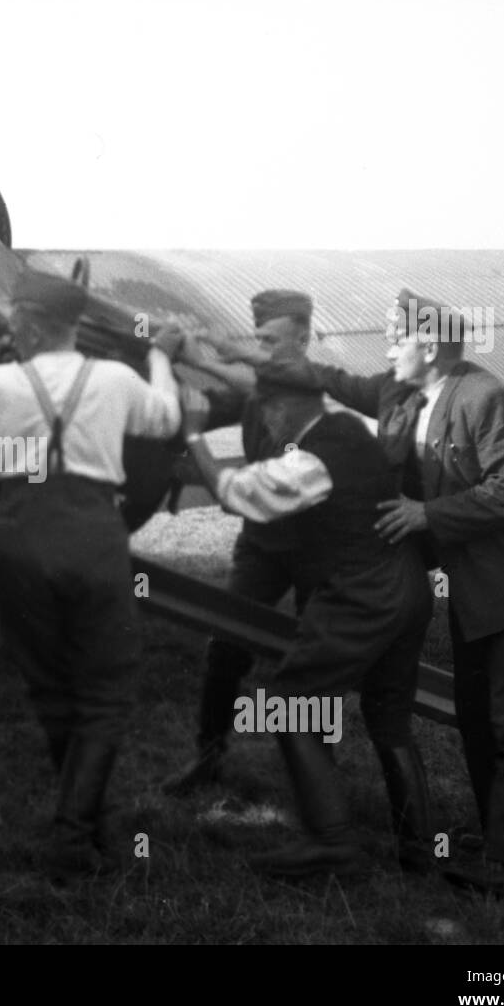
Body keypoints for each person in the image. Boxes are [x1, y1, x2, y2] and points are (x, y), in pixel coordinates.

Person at [253, 289, 504, 899]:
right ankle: (502, 842)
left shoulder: (487, 398)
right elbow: (333, 379)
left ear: (428, 346)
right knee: (480, 720)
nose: (386, 348)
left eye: (393, 337)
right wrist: (244, 356)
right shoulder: (404, 392)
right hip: (479, 595)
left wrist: (427, 515)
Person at [0, 268, 182, 879]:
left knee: (50, 685)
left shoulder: (2, 382)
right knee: (105, 693)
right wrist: (161, 356)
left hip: (17, 535)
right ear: (72, 325)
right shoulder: (114, 378)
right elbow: (165, 420)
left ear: (27, 325)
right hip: (92, 536)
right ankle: (73, 834)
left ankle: (79, 822)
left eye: (12, 321)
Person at [187, 373, 435, 877]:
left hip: (363, 596)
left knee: (287, 704)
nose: (266, 425)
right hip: (408, 587)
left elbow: (236, 493)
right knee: (390, 719)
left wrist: (194, 437)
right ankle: (417, 848)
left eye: (267, 412)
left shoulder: (312, 458)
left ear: (282, 408)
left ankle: (332, 843)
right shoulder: (349, 428)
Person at [162, 289, 319, 796]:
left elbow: (253, 382)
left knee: (313, 660)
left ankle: (318, 779)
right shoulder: (256, 384)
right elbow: (225, 395)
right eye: (259, 339)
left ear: (304, 337)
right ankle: (208, 757)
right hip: (263, 540)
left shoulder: (309, 386)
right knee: (226, 641)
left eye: (274, 339)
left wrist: (190, 352)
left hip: (316, 543)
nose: (265, 348)